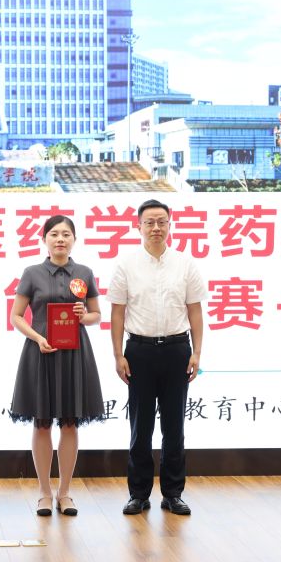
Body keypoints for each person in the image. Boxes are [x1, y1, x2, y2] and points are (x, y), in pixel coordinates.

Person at [109, 199, 206, 517]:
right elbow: (117, 313)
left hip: (177, 350)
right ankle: (138, 494)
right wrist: (118, 355)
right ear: (138, 226)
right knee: (141, 426)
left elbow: (195, 310)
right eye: (149, 222)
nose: (155, 227)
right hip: (139, 351)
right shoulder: (126, 265)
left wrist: (197, 352)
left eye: (161, 221)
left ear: (170, 224)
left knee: (175, 426)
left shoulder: (185, 264)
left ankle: (173, 494)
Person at [9, 215, 105, 517]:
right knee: (42, 423)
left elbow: (96, 315)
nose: (60, 239)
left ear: (74, 239)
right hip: (41, 351)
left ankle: (65, 493)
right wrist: (37, 337)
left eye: (66, 234)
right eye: (54, 234)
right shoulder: (32, 272)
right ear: (44, 239)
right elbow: (16, 316)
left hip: (75, 353)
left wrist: (83, 316)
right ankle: (43, 493)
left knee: (70, 423)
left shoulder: (85, 272)